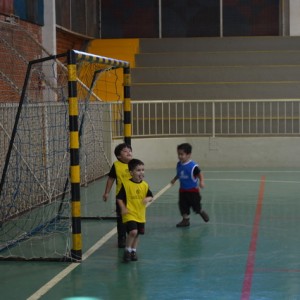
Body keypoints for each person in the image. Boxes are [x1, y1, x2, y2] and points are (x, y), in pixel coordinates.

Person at [117, 158, 153, 262]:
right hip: (129, 213)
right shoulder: (126, 184)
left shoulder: (145, 185)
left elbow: (151, 196)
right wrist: (123, 208)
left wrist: (148, 198)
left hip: (140, 215)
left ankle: (133, 250)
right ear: (131, 173)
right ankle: (127, 250)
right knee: (133, 231)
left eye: (142, 170)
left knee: (137, 234)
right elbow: (119, 198)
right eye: (138, 170)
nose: (141, 172)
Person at [171, 143, 209, 227]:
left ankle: (200, 211)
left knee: (196, 206)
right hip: (182, 190)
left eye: (182, 154)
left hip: (193, 191)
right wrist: (174, 179)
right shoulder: (179, 164)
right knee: (182, 206)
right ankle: (185, 220)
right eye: (178, 154)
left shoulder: (193, 166)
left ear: (188, 155)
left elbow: (200, 174)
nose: (180, 156)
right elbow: (179, 174)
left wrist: (201, 181)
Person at [103, 143, 133, 248]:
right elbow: (111, 179)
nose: (128, 152)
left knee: (132, 218)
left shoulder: (134, 164)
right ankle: (122, 238)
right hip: (121, 198)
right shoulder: (116, 165)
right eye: (125, 151)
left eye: (129, 150)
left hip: (133, 197)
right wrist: (106, 192)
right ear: (119, 156)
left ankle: (131, 235)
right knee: (121, 219)